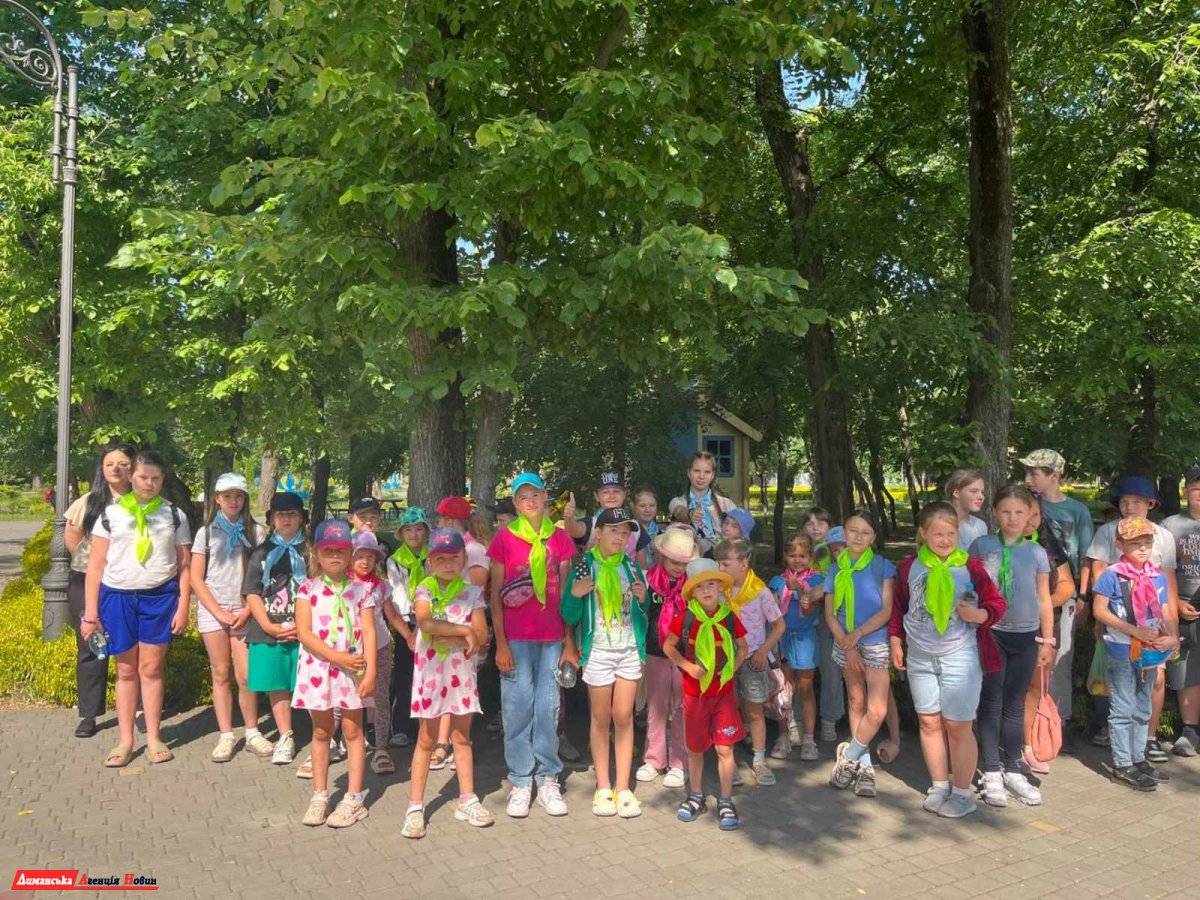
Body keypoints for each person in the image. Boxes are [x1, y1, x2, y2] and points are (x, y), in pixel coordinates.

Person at [889, 502, 1006, 819]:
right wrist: (896, 641)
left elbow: (996, 603)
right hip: (920, 656)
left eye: (950, 534)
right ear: (923, 534)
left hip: (960, 655)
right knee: (929, 722)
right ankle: (940, 786)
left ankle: (962, 793)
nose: (944, 540)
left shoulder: (971, 567)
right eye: (937, 534)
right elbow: (899, 606)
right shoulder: (909, 567)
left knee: (957, 725)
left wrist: (979, 614)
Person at [81, 450, 191, 768]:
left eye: (156, 478)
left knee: (152, 669)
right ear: (131, 477)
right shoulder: (110, 514)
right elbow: (95, 567)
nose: (149, 483)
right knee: (126, 671)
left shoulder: (174, 515)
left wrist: (183, 605)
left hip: (159, 598)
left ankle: (154, 736)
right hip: (118, 597)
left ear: (163, 479)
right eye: (143, 477)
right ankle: (126, 740)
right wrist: (91, 614)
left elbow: (184, 565)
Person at [487, 471, 578, 819]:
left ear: (544, 497)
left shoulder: (560, 539)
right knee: (517, 708)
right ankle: (521, 779)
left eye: (535, 495)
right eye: (523, 497)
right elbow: (495, 595)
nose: (530, 502)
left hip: (552, 638)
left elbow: (567, 595)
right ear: (515, 502)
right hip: (517, 639)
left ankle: (548, 776)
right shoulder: (504, 539)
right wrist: (501, 643)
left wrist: (569, 643)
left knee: (547, 708)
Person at [968, 486, 1056, 807]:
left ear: (1030, 514)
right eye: (1006, 511)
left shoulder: (1036, 552)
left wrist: (1047, 640)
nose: (1013, 518)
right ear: (995, 512)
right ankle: (991, 769)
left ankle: (1013, 767)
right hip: (992, 633)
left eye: (1020, 512)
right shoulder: (982, 546)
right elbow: (968, 588)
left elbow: (1044, 599)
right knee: (991, 700)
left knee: (1015, 703)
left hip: (1026, 636)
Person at [401, 528, 492, 837]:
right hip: (430, 677)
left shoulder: (472, 592)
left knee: (461, 737)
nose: (448, 563)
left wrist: (457, 633)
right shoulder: (424, 589)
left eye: (454, 557)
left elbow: (481, 635)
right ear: (431, 561)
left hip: (461, 675)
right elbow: (426, 623)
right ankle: (415, 806)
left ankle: (467, 798)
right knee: (426, 739)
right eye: (441, 558)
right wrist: (463, 631)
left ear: (464, 559)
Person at [1085, 475, 1180, 763]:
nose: (1142, 548)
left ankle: (1139, 755)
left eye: (1146, 544)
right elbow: (1100, 606)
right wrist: (1128, 629)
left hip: (1150, 645)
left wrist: (1173, 634)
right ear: (1121, 545)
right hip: (1121, 643)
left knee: (1143, 703)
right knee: (1122, 704)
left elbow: (1165, 604)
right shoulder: (1113, 572)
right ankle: (1123, 761)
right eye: (1134, 543)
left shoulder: (1156, 571)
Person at [562, 507, 649, 818]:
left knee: (623, 716)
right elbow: (569, 614)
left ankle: (623, 787)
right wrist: (575, 594)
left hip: (628, 651)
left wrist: (643, 601)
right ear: (597, 533)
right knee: (600, 719)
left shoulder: (633, 568)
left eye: (625, 533)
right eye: (614, 530)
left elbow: (644, 614)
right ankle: (603, 786)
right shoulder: (585, 567)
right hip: (598, 651)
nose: (620, 537)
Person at [293, 519, 377, 828]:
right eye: (328, 550)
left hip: (353, 670)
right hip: (319, 670)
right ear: (317, 553)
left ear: (350, 553)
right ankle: (320, 795)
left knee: (354, 731)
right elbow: (304, 632)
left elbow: (369, 631)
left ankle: (353, 798)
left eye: (341, 550)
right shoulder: (307, 589)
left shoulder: (362, 590)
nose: (335, 556)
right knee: (321, 731)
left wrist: (370, 672)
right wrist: (336, 657)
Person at [663, 558, 748, 830]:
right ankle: (696, 795)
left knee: (725, 748)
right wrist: (686, 666)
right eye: (700, 587)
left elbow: (743, 647)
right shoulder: (686, 618)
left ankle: (726, 799)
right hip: (695, 694)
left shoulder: (729, 617)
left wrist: (731, 669)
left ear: (721, 588)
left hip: (723, 695)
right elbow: (668, 646)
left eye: (712, 584)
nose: (707, 590)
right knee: (695, 748)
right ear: (693, 593)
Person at [191, 473, 268, 763]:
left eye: (238, 496)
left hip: (245, 608)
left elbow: (263, 577)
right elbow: (196, 578)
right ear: (217, 499)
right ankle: (225, 734)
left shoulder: (256, 532)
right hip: (214, 609)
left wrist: (248, 609)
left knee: (246, 674)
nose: (233, 501)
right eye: (227, 496)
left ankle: (252, 730)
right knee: (220, 672)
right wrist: (218, 611)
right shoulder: (206, 533)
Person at [1021, 448, 1095, 746]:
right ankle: (1029, 722)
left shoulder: (1076, 511)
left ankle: (1058, 723)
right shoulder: (1025, 505)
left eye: (1034, 473)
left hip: (1064, 594)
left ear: (1054, 475)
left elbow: (1087, 556)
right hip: (1027, 596)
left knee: (1061, 657)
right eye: (1026, 472)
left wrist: (1084, 596)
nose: (1028, 479)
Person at [64, 441, 135, 739]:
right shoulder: (90, 502)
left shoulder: (143, 501)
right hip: (87, 581)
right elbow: (72, 535)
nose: (116, 469)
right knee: (92, 647)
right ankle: (89, 714)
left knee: (131, 646)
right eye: (110, 464)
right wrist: (94, 566)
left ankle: (136, 708)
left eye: (123, 463)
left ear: (134, 467)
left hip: (128, 583)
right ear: (102, 469)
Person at [825, 511, 897, 799]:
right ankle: (864, 768)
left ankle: (849, 757)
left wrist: (858, 634)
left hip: (874, 641)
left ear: (873, 537)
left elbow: (887, 610)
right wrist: (848, 643)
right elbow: (830, 614)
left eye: (865, 532)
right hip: (845, 643)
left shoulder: (882, 566)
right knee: (856, 701)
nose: (858, 537)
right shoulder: (836, 569)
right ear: (844, 533)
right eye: (853, 530)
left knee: (876, 710)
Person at [243, 491, 308, 767]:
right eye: (280, 515)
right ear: (271, 520)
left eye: (292, 514)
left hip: (307, 630)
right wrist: (268, 625)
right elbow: (252, 592)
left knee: (310, 683)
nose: (286, 519)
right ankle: (285, 736)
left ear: (302, 518)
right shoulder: (262, 552)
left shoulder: (312, 551)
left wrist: (304, 627)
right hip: (268, 629)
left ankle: (324, 735)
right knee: (277, 685)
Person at [715, 538, 785, 787]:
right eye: (719, 564)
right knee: (727, 708)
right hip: (726, 658)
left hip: (753, 658)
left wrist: (763, 651)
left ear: (744, 564)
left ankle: (759, 759)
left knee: (755, 710)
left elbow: (779, 625)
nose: (720, 569)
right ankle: (729, 761)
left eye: (726, 564)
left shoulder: (760, 592)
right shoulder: (719, 590)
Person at [430, 496, 492, 770]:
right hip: (443, 627)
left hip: (467, 630)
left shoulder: (475, 550)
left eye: (444, 519)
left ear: (455, 521)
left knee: (464, 687)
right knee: (443, 684)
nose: (440, 523)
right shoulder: (443, 548)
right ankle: (442, 741)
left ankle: (461, 742)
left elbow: (475, 591)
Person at [637, 526, 697, 788]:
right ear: (662, 557)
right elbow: (641, 615)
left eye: (683, 564)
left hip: (684, 656)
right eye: (674, 562)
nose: (678, 568)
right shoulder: (648, 581)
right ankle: (654, 758)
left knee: (682, 707)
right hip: (655, 651)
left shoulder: (692, 586)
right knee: (656, 706)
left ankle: (679, 762)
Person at [1020, 497, 1076, 774]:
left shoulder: (1049, 545)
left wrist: (1042, 607)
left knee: (1035, 687)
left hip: (1044, 626)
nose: (1029, 521)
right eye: (1023, 514)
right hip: (1010, 628)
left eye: (1035, 515)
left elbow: (1066, 585)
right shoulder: (996, 546)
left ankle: (1028, 745)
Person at [768, 533, 825, 761]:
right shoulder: (777, 581)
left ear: (810, 557)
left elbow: (810, 610)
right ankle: (784, 735)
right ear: (785, 556)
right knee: (784, 689)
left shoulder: (816, 580)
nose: (797, 560)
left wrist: (800, 590)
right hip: (783, 639)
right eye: (793, 555)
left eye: (802, 556)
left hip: (805, 639)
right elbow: (771, 611)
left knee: (805, 688)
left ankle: (809, 739)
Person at [349, 531, 396, 775]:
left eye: (370, 556)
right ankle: (339, 742)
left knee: (380, 697)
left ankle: (381, 747)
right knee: (345, 698)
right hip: (349, 650)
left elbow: (391, 614)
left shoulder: (381, 586)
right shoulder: (342, 585)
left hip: (380, 647)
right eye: (360, 556)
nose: (365, 561)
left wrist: (409, 636)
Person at [1164, 466, 1200, 756]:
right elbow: (1160, 569)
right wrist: (1175, 602)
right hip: (1183, 603)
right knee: (1186, 670)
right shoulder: (1170, 526)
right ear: (1186, 490)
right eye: (1196, 487)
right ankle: (1190, 730)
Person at [806, 510, 844, 742]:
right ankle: (800, 720)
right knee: (804, 671)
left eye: (821, 523)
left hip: (832, 619)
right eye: (809, 523)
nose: (815, 527)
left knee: (831, 670)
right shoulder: (801, 551)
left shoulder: (836, 554)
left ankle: (830, 719)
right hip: (805, 620)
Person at [564, 472, 651, 565]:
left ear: (625, 494)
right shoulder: (592, 523)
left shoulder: (636, 527)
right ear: (597, 496)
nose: (611, 496)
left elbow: (642, 567)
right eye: (605, 492)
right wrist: (569, 517)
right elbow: (574, 530)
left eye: (616, 491)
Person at [668, 452, 735, 556]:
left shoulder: (727, 505)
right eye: (696, 471)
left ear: (712, 475)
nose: (701, 476)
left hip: (722, 560)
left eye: (707, 472)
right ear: (688, 473)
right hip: (688, 561)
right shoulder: (677, 502)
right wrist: (690, 513)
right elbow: (679, 511)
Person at [946, 469, 988, 550]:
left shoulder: (981, 526)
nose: (981, 497)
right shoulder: (939, 524)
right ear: (956, 493)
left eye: (982, 492)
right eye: (974, 491)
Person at [633, 486, 660, 568]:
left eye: (652, 505)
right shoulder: (630, 531)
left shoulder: (660, 533)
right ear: (634, 507)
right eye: (642, 506)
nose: (647, 510)